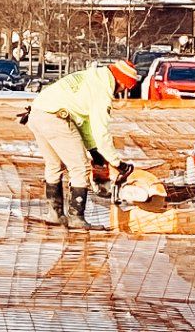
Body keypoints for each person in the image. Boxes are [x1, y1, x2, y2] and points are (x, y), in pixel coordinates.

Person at [27, 59, 139, 230]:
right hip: (56, 118)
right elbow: (101, 132)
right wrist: (117, 163)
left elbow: (84, 122)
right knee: (80, 168)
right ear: (121, 82)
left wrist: (94, 151)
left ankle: (55, 214)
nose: (122, 91)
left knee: (54, 165)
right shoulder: (102, 91)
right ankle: (76, 218)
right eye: (125, 87)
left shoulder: (92, 78)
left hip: (37, 113)